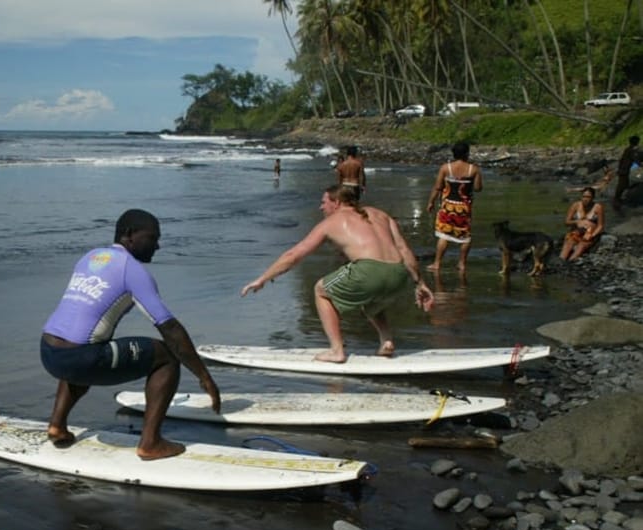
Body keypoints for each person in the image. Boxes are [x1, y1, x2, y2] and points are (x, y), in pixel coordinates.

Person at [40, 208, 221, 461]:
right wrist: (204, 377)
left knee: (83, 345)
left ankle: (57, 425)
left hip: (48, 352)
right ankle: (151, 443)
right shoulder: (132, 271)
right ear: (129, 235)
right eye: (153, 238)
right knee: (167, 355)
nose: (157, 246)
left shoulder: (90, 257)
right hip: (80, 358)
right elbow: (169, 328)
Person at [240, 185, 434, 363]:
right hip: (399, 274)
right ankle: (386, 341)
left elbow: (293, 255)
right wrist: (420, 283)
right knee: (371, 299)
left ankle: (336, 350)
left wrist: (262, 279)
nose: (320, 207)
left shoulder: (332, 222)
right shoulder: (380, 215)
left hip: (368, 271)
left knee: (321, 290)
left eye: (323, 202)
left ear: (337, 203)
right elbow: (404, 249)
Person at [425, 141, 483, 272]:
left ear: (454, 153)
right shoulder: (473, 169)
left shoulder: (446, 168)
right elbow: (478, 188)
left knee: (444, 235)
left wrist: (431, 202)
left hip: (448, 206)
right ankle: (462, 264)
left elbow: (438, 187)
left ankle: (437, 263)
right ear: (467, 153)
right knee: (465, 236)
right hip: (464, 207)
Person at [560, 186, 605, 261]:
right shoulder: (576, 205)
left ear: (593, 197)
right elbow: (567, 222)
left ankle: (571, 261)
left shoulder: (598, 207)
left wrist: (592, 235)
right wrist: (577, 221)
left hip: (590, 233)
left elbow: (600, 226)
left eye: (588, 197)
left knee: (582, 245)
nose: (586, 199)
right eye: (584, 196)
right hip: (576, 231)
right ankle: (561, 260)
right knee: (569, 242)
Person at [614, 135, 640, 206]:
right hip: (624, 170)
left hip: (623, 169)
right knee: (622, 185)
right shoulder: (632, 150)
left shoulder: (628, 149)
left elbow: (622, 160)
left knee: (623, 185)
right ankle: (616, 199)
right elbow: (635, 159)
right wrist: (640, 164)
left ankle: (618, 199)